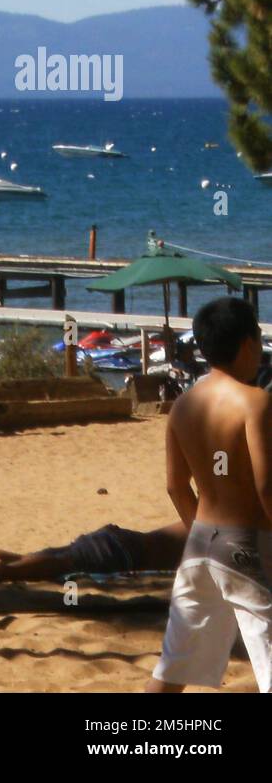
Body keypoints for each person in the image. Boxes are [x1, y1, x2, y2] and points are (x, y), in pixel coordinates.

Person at [146, 296, 272, 693]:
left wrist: (200, 529)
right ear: (249, 344)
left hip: (200, 547)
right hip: (248, 548)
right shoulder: (256, 402)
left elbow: (175, 485)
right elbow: (266, 485)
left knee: (172, 672)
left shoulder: (182, 407)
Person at [0, 522, 186, 584]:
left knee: (39, 557)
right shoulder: (218, 532)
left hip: (115, 538)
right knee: (64, 564)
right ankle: (5, 572)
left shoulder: (203, 519)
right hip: (126, 553)